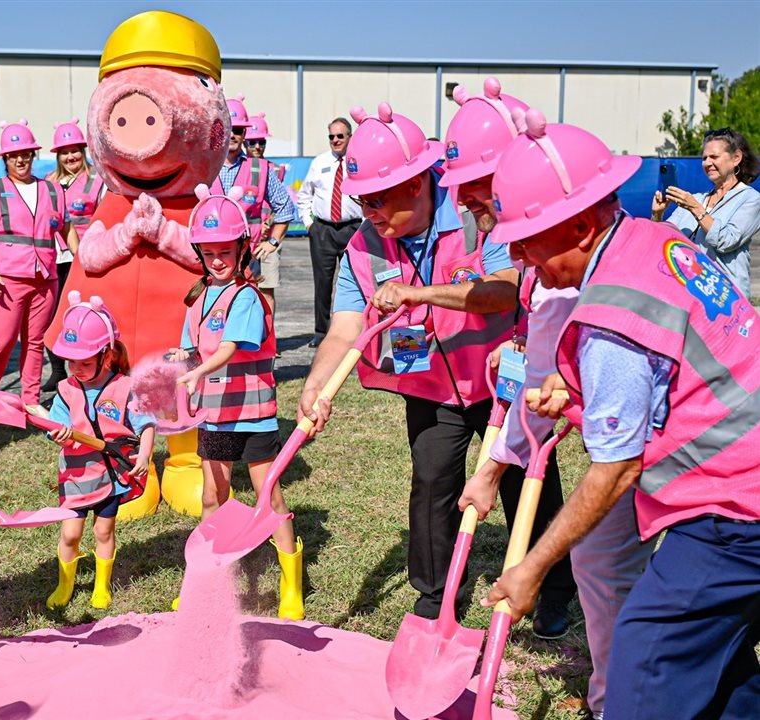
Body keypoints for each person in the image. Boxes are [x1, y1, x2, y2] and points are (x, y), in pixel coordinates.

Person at [481, 108, 759, 720]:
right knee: (724, 673)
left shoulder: (611, 312)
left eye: (529, 239)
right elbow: (668, 374)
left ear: (580, 224)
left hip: (735, 513)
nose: (523, 257)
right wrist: (575, 389)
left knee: (644, 661)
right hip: (744, 490)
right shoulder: (656, 240)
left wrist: (531, 567)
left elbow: (614, 470)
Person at [298, 103, 519, 621]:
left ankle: (551, 589)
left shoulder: (472, 215)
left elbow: (505, 292)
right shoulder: (363, 244)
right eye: (362, 201)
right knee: (432, 483)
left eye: (378, 200)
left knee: (524, 481)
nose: (369, 211)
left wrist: (423, 294)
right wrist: (315, 385)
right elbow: (345, 326)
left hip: (502, 381)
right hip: (431, 386)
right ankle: (435, 592)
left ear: (417, 184)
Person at [416, 79, 581, 642]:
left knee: (553, 500)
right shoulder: (533, 250)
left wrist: (490, 470)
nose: (462, 200)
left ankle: (559, 592)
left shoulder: (562, 261)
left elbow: (512, 292)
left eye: (476, 185)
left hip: (706, 480)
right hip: (507, 373)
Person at [170, 184, 303, 620]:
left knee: (270, 497)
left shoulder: (247, 296)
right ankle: (212, 581)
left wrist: (195, 371)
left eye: (225, 250)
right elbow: (196, 346)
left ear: (242, 248)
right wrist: (182, 356)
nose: (218, 259)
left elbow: (228, 348)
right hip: (216, 415)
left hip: (254, 414)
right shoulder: (197, 298)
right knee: (213, 495)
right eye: (209, 252)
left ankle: (290, 582)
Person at [45, 292, 155, 610]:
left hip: (112, 475)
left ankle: (101, 586)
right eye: (71, 361)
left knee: (104, 530)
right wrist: (62, 436)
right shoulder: (65, 391)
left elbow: (146, 424)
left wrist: (144, 456)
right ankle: (65, 585)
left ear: (105, 356)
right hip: (77, 476)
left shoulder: (124, 387)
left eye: (85, 362)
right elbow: (57, 429)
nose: (76, 368)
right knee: (70, 534)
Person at [0, 120, 71, 416]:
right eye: (14, 154)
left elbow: (66, 228)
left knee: (35, 341)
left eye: (26, 152)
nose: (21, 159)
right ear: (5, 158)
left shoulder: (52, 190)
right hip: (7, 279)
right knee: (1, 342)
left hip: (45, 278)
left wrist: (80, 259)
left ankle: (30, 398)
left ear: (33, 154)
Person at [210, 96, 297, 315]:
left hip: (250, 255)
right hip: (212, 255)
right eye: (228, 127)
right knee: (214, 303)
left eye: (238, 130)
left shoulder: (260, 168)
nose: (233, 134)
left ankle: (262, 347)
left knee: (254, 302)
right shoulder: (203, 165)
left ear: (245, 134)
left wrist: (273, 242)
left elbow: (285, 207)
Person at [652, 126, 760, 292]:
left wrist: (695, 208)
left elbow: (726, 241)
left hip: (725, 298)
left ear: (736, 158)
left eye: (714, 157)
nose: (707, 163)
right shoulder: (696, 198)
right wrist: (657, 215)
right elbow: (665, 241)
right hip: (689, 293)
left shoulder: (751, 199)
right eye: (704, 158)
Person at [297, 117, 363, 347]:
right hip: (323, 230)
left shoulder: (360, 161)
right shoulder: (319, 162)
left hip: (353, 230)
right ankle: (321, 332)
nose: (335, 140)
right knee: (322, 283)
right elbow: (304, 195)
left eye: (340, 136)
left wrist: (365, 226)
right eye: (331, 136)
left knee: (357, 281)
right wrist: (309, 224)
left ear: (350, 137)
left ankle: (356, 330)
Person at [42, 118, 97, 392]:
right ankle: (56, 369)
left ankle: (88, 363)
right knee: (52, 313)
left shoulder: (97, 182)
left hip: (82, 259)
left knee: (81, 311)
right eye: (65, 151)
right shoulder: (47, 183)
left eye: (75, 150)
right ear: (57, 155)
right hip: (52, 259)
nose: (71, 156)